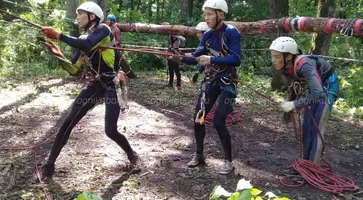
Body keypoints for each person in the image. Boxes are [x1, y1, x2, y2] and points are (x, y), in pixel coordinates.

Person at [38, 1, 138, 181]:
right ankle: (49, 165)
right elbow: (74, 70)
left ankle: (131, 153)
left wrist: (58, 35)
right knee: (68, 121)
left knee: (110, 131)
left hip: (111, 84)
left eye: (80, 14)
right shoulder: (83, 40)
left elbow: (89, 44)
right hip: (95, 84)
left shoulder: (104, 30)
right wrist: (58, 54)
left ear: (92, 17)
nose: (77, 17)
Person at [170, 0, 241, 174]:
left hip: (228, 82)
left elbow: (236, 59)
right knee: (198, 118)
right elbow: (195, 57)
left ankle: (228, 161)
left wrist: (211, 60)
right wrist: (179, 57)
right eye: (206, 14)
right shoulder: (208, 35)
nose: (206, 17)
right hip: (211, 81)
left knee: (218, 121)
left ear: (221, 15)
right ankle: (199, 155)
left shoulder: (231, 33)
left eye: (210, 14)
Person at [269, 36, 339, 174]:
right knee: (307, 127)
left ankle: (312, 170)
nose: (273, 60)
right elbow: (295, 86)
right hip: (315, 91)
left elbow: (318, 93)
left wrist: (294, 104)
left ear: (288, 56)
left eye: (277, 56)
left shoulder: (304, 65)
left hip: (327, 90)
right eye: (272, 56)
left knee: (316, 129)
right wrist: (288, 111)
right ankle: (304, 165)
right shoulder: (286, 67)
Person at [104, 14, 138, 79]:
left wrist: (110, 44)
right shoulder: (108, 29)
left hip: (116, 49)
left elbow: (118, 41)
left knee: (117, 64)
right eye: (106, 20)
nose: (107, 21)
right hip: (109, 49)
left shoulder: (116, 29)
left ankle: (119, 76)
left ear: (112, 21)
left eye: (108, 20)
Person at [162, 22, 186, 90]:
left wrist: (174, 53)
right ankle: (170, 83)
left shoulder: (174, 35)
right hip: (170, 55)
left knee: (177, 71)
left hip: (174, 55)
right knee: (171, 70)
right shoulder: (170, 35)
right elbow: (170, 46)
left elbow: (176, 46)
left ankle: (178, 85)